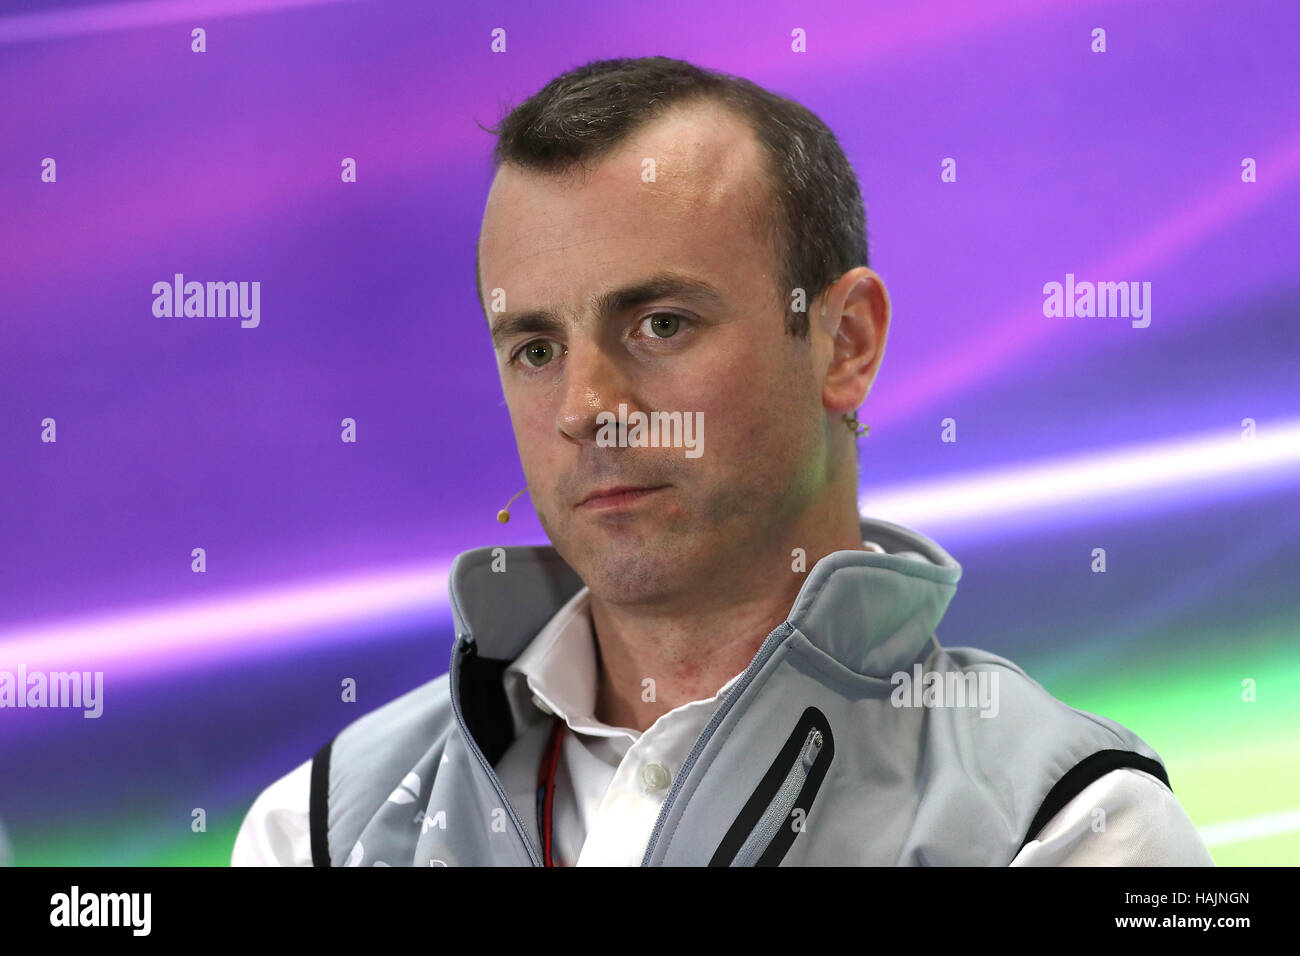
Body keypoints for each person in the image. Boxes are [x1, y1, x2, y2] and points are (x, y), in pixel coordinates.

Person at [232, 56, 1213, 866]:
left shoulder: (1068, 823)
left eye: (660, 322)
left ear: (844, 341)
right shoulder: (321, 828)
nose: (586, 408)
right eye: (536, 347)